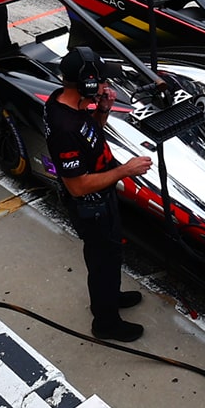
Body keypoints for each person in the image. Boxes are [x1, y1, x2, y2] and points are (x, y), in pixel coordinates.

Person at [44, 47, 152, 342]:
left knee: (109, 257)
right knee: (102, 260)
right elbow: (76, 186)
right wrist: (125, 171)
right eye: (101, 82)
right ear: (86, 82)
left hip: (103, 199)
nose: (106, 87)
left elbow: (92, 140)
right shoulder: (64, 126)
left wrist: (102, 110)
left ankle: (107, 298)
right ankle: (105, 323)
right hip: (91, 207)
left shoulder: (74, 104)